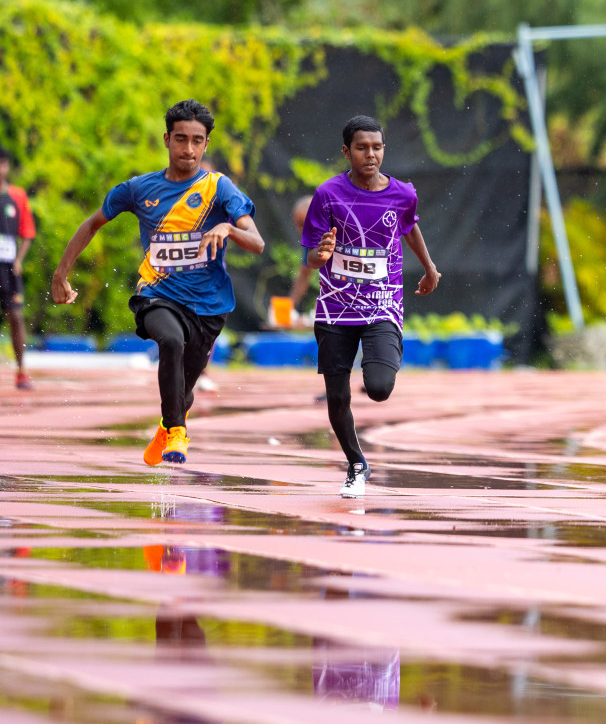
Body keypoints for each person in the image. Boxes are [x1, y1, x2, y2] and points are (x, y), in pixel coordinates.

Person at [51, 101, 264, 466]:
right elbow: (92, 224)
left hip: (209, 305)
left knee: (183, 392)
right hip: (157, 294)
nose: (189, 149)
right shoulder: (138, 189)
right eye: (181, 140)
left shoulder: (219, 188)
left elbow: (257, 243)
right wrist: (60, 274)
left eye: (197, 141)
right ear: (167, 140)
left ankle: (168, 424)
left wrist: (227, 227)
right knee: (170, 339)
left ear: (206, 145)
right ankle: (178, 432)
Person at [302, 115, 440, 498]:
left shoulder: (402, 194)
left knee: (378, 388)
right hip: (335, 308)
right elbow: (310, 257)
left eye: (377, 147)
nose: (370, 154)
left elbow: (409, 226)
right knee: (337, 397)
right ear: (347, 152)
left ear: (384, 150)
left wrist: (429, 267)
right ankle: (356, 463)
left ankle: (389, 349)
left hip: (381, 303)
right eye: (362, 147)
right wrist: (321, 255)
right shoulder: (328, 195)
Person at [0, 146, 37, 390]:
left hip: (8, 265)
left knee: (16, 316)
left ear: (6, 166)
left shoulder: (17, 196)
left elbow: (28, 233)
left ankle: (22, 372)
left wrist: (19, 260)